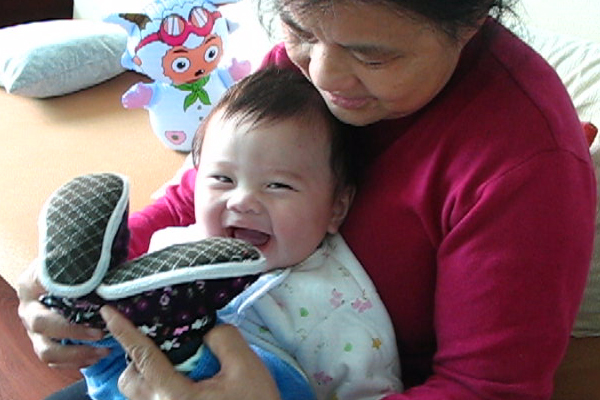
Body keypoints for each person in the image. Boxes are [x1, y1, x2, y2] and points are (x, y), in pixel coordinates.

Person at [17, 0, 597, 399]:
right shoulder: (308, 57)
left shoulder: (527, 165)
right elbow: (193, 196)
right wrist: (82, 281)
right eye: (298, 28)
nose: (322, 73)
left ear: (470, 23)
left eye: (373, 57)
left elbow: (486, 390)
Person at [29, 67, 401, 400]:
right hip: (129, 382)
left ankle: (186, 349)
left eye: (278, 185)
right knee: (108, 322)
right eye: (222, 179)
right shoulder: (176, 247)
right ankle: (78, 296)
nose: (242, 201)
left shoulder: (340, 311)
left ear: (336, 207)